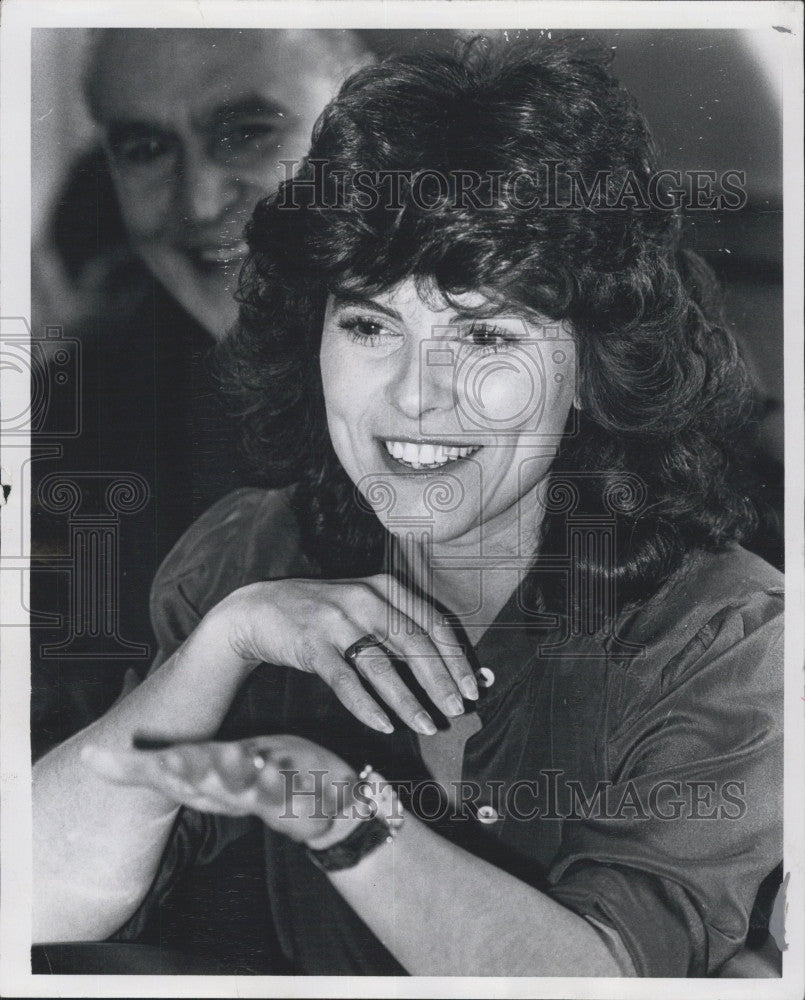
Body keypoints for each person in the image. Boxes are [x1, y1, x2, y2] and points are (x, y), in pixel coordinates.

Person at [32, 37, 783, 977]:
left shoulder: (721, 636)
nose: (416, 395)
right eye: (368, 323)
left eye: (484, 334)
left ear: (592, 368)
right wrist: (222, 645)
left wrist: (331, 805)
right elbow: (30, 894)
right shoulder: (246, 556)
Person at [30, 29, 368, 755]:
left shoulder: (524, 361)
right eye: (146, 149)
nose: (199, 200)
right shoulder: (76, 417)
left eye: (247, 132)